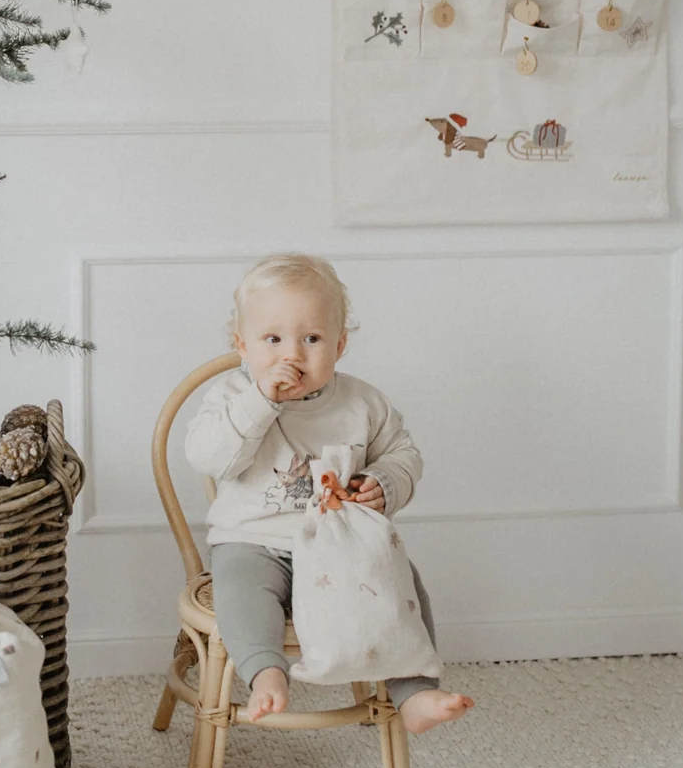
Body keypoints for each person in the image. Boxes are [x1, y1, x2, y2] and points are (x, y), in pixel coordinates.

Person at [185, 253, 475, 731]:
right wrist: (261, 402)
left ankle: (415, 690)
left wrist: (385, 483)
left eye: (312, 339)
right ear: (242, 344)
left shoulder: (362, 402)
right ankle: (266, 672)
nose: (292, 355)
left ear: (339, 345)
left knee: (401, 581)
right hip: (252, 541)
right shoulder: (232, 398)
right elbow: (209, 458)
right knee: (240, 590)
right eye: (272, 339)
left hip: (342, 543)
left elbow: (404, 453)